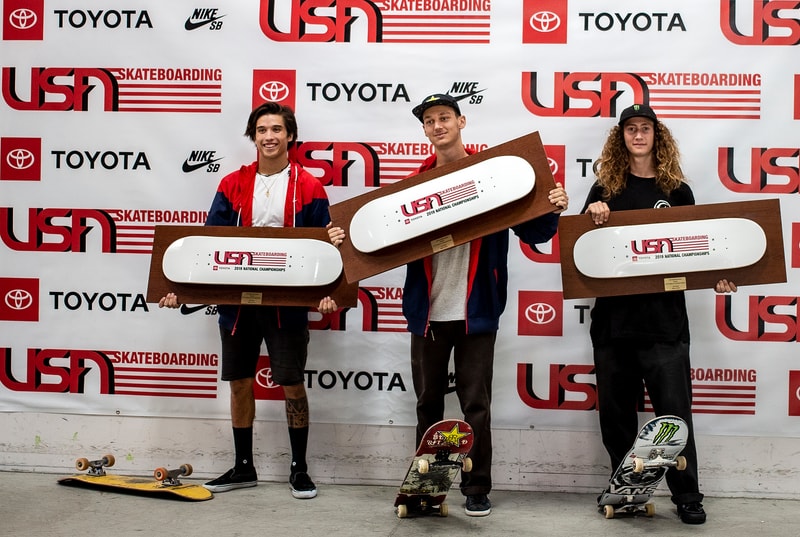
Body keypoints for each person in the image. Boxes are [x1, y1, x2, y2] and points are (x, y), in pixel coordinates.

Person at [331, 93, 569, 516]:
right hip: (428, 316)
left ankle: (476, 487)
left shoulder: (496, 174)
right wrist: (343, 241)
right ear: (424, 130)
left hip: (476, 312)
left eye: (444, 117)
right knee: (428, 405)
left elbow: (534, 234)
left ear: (462, 121)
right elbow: (375, 242)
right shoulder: (411, 187)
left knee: (476, 404)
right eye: (429, 121)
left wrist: (551, 209)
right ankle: (427, 483)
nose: (437, 125)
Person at [159, 101, 338, 499]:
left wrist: (327, 296)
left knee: (291, 383)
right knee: (240, 383)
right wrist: (180, 291)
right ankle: (243, 467)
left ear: (290, 135)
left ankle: (299, 468)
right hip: (237, 306)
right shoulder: (231, 184)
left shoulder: (310, 186)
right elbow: (207, 246)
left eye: (277, 129)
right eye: (262, 130)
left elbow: (327, 250)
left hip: (286, 307)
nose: (269, 136)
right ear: (253, 136)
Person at [581, 103, 737, 524]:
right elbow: (578, 253)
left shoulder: (677, 191)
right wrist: (592, 217)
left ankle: (687, 495)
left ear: (657, 135)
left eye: (645, 128)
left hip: (664, 326)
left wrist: (720, 277)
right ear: (621, 137)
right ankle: (627, 490)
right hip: (613, 325)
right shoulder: (604, 190)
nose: (637, 135)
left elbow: (698, 253)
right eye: (630, 128)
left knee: (674, 417)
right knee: (616, 418)